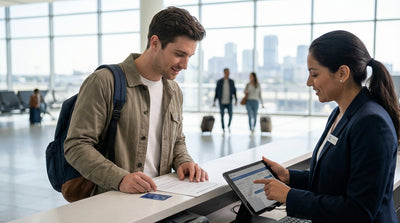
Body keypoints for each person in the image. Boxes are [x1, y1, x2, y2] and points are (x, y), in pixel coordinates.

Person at [254, 30, 400, 222]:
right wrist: (289, 177)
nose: (308, 82)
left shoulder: (371, 123)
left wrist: (289, 196)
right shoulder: (340, 112)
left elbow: (359, 211)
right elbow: (334, 180)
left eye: (314, 74)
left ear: (342, 73)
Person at [64, 6, 208, 196]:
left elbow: (177, 140)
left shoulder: (174, 91)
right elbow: (76, 146)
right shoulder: (104, 82)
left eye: (189, 56)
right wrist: (120, 178)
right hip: (114, 199)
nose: (185, 65)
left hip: (161, 198)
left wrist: (183, 161)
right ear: (155, 42)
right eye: (179, 54)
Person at [213, 68, 237, 133]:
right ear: (224, 73)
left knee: (231, 114)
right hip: (221, 101)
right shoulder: (219, 81)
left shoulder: (231, 81)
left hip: (229, 101)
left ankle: (228, 125)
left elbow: (234, 91)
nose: (228, 73)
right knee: (222, 115)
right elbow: (216, 92)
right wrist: (214, 101)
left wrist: (236, 100)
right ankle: (223, 128)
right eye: (226, 72)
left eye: (228, 72)